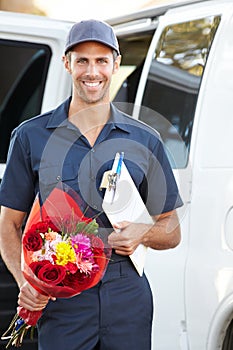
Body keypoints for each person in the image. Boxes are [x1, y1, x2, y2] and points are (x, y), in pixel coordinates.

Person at [0, 19, 183, 350]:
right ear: (67, 63)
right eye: (82, 60)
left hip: (128, 294)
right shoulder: (30, 137)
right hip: (63, 298)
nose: (92, 71)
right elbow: (8, 226)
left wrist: (144, 232)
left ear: (115, 63)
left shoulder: (146, 140)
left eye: (101, 60)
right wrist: (28, 282)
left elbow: (172, 229)